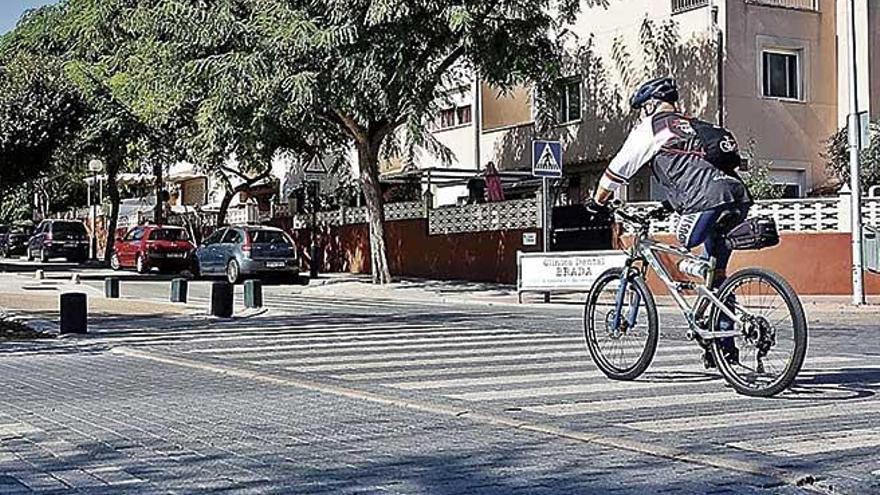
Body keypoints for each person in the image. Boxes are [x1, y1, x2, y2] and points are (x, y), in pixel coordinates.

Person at [588, 76, 752, 369]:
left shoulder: (652, 127)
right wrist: (668, 205)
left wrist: (597, 201)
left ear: (649, 105)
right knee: (717, 275)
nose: (642, 114)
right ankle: (724, 349)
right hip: (737, 196)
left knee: (685, 241)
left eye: (642, 108)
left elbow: (617, 171)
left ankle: (702, 307)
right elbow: (698, 169)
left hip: (707, 201)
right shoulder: (694, 125)